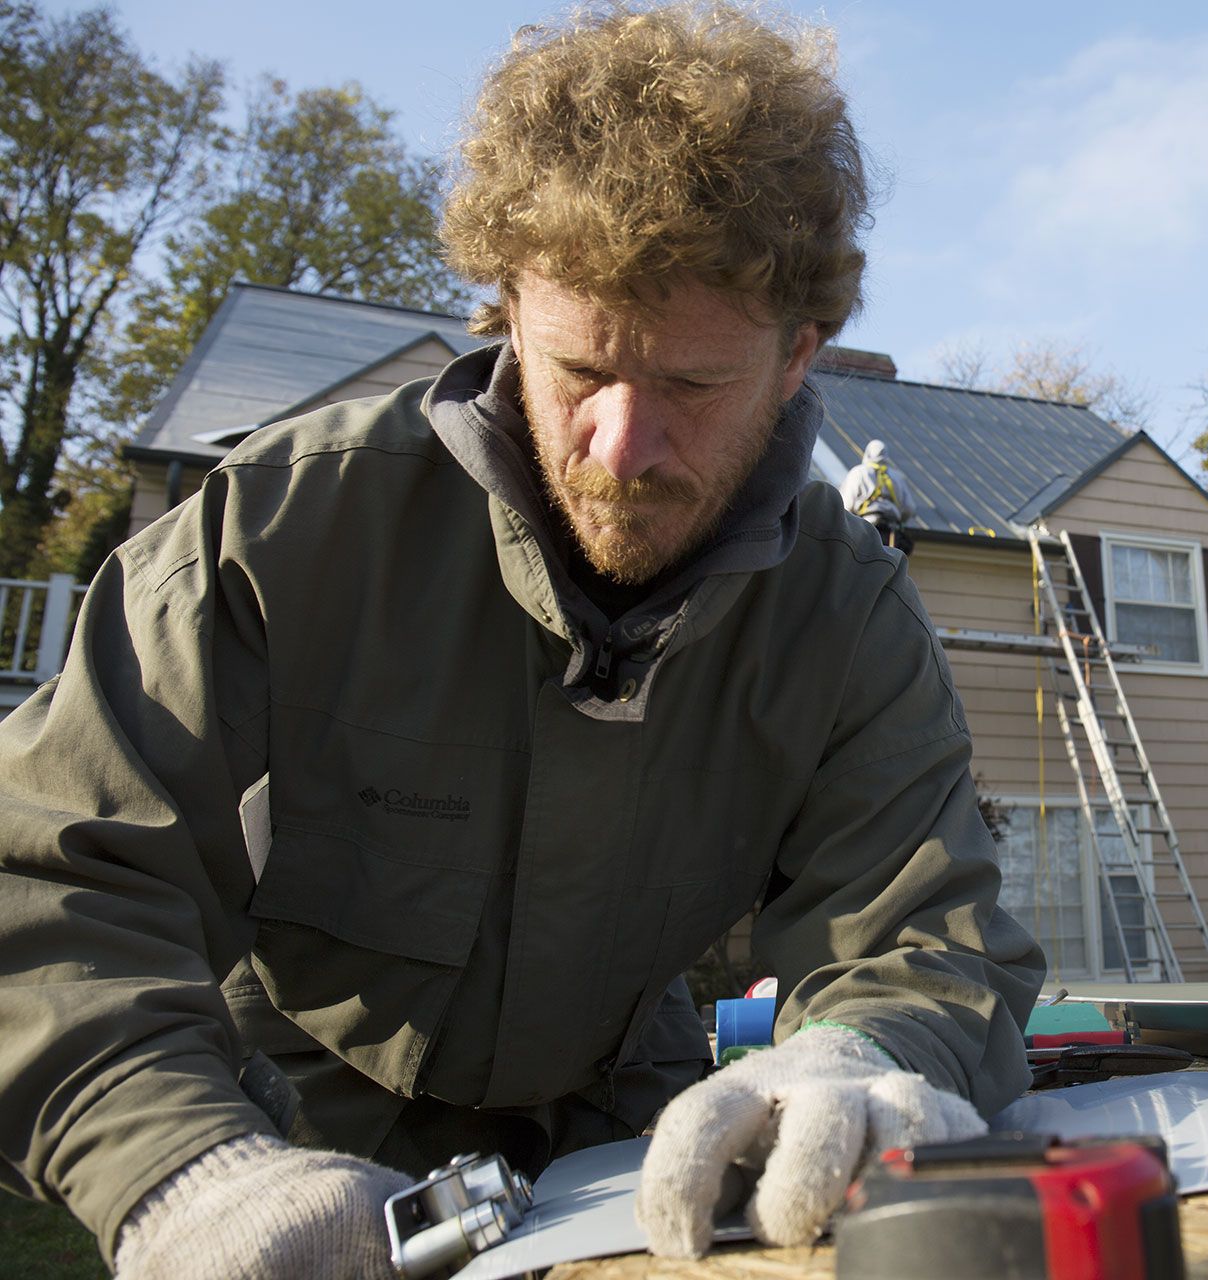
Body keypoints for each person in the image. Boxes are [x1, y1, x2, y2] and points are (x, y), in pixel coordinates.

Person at [0, 5, 1044, 1276]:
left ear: (794, 359)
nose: (622, 448)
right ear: (505, 313)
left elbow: (924, 940)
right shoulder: (281, 531)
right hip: (285, 1135)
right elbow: (52, 882)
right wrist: (181, 1169)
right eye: (580, 370)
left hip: (633, 1148)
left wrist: (865, 1057)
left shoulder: (849, 621)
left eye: (694, 387)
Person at [839, 438, 918, 552]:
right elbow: (909, 509)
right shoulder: (897, 477)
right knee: (887, 564)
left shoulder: (859, 472)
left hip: (865, 528)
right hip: (891, 532)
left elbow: (846, 504)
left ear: (868, 453)